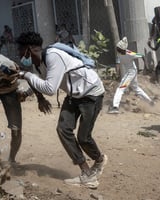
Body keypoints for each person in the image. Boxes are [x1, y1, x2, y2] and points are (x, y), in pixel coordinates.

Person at [16, 32, 107, 189]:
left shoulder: (52, 56)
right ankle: (87, 174)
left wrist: (26, 75)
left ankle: (99, 159)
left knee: (84, 138)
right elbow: (42, 79)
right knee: (63, 130)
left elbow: (50, 89)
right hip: (74, 95)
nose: (18, 53)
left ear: (29, 49)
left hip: (91, 93)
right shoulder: (38, 62)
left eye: (20, 49)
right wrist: (28, 93)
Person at [108, 37, 154, 114]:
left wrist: (146, 66)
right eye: (117, 48)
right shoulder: (119, 53)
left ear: (123, 49)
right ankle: (150, 102)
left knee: (120, 89)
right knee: (136, 88)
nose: (117, 49)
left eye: (118, 48)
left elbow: (142, 55)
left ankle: (115, 107)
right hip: (130, 72)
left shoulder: (130, 53)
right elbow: (118, 62)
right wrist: (117, 72)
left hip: (131, 72)